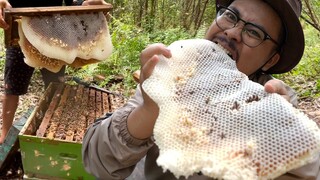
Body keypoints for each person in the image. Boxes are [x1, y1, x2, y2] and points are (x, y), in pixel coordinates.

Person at [82, 0, 320, 179]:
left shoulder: (274, 106)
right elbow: (98, 163)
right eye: (230, 16)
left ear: (270, 61)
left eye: (254, 32)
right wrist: (149, 109)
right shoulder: (173, 72)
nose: (233, 32)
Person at [0, 0, 107, 144]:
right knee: (12, 87)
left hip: (54, 33)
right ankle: (5, 133)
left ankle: (51, 126)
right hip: (19, 32)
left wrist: (84, 4)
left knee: (55, 86)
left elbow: (70, 3)